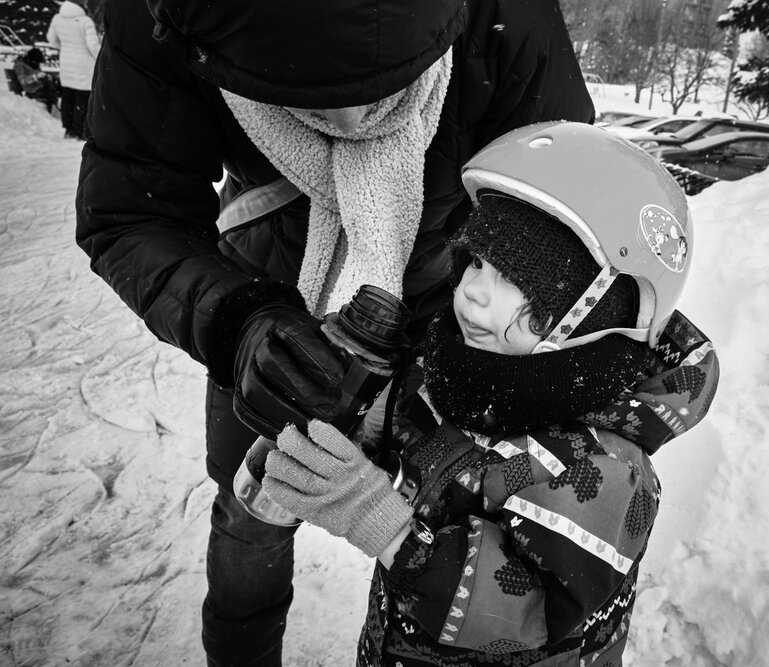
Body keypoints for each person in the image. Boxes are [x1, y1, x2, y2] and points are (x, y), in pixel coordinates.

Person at [75, 0, 595, 663]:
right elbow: (129, 210)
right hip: (266, 299)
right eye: (309, 100)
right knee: (250, 507)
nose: (356, 119)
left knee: (449, 516)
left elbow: (560, 212)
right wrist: (236, 324)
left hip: (450, 311)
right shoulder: (161, 16)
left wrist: (494, 337)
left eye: (385, 84)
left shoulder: (506, 16)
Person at [261, 121, 720, 665]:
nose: (472, 293)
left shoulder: (605, 469)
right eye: (476, 261)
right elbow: (408, 449)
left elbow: (525, 616)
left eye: (518, 281)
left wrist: (379, 523)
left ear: (600, 314)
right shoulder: (461, 371)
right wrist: (339, 436)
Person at [46, 0, 100, 139]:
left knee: (68, 96)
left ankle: (68, 129)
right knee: (82, 99)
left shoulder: (57, 18)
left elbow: (51, 38)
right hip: (83, 65)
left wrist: (64, 49)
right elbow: (92, 45)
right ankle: (79, 131)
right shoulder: (85, 21)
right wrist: (100, 58)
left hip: (66, 62)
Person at [12, 48, 58, 114]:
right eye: (36, 62)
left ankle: (55, 111)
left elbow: (39, 73)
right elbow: (23, 81)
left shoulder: (33, 64)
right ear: (31, 59)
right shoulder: (19, 65)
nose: (37, 64)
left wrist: (46, 76)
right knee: (50, 91)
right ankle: (51, 114)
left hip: (39, 88)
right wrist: (36, 77)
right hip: (31, 91)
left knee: (55, 85)